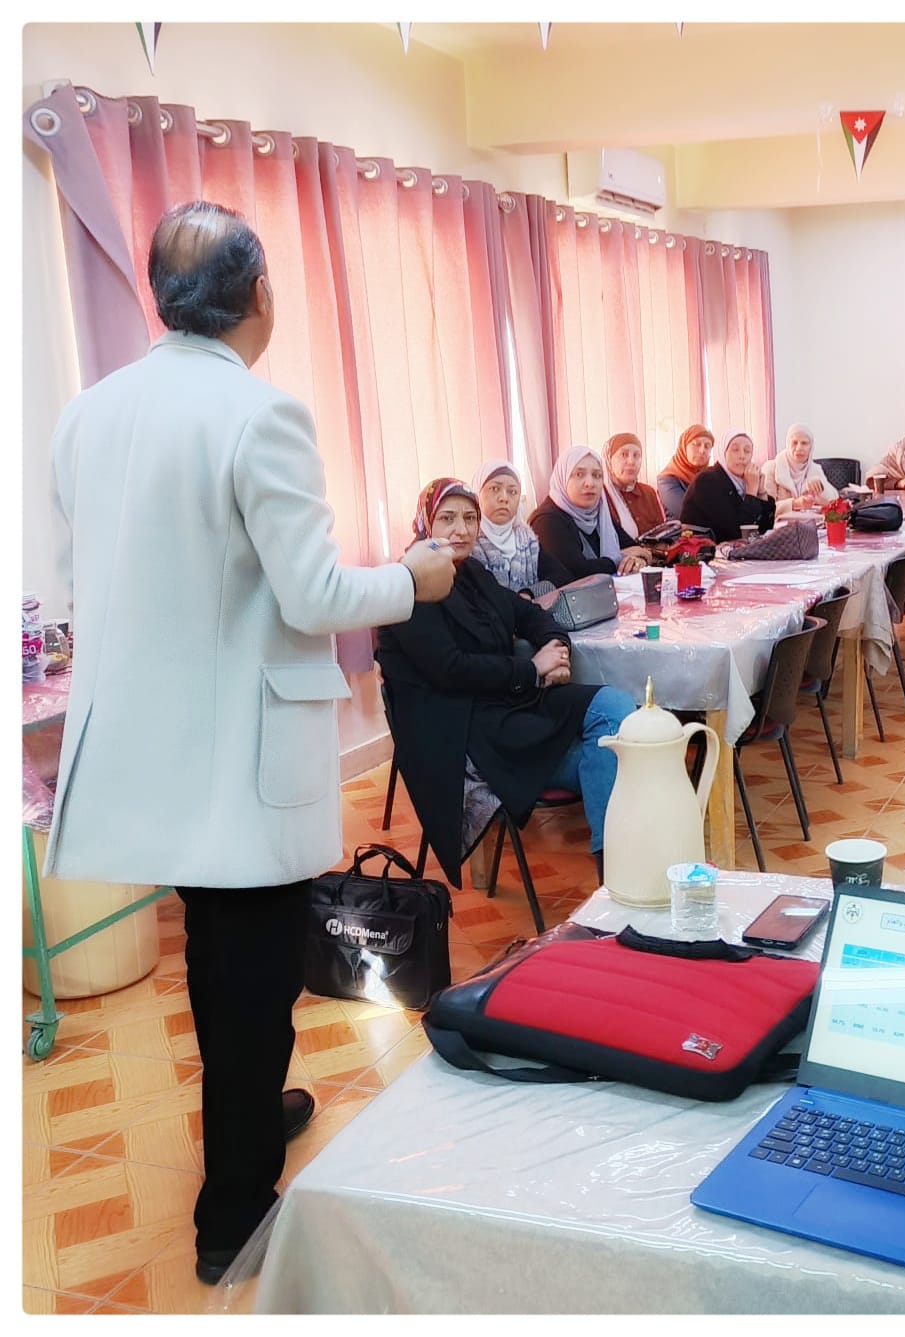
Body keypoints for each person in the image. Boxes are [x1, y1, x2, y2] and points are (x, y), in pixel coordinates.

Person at [44, 200, 456, 1286]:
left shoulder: (88, 412)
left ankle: (249, 1115)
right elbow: (314, 593)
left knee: (217, 956)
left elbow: (91, 581)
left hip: (152, 742)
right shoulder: (261, 412)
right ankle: (233, 1212)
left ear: (160, 297)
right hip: (239, 752)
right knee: (255, 977)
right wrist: (410, 578)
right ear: (261, 293)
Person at [376, 479, 635, 884]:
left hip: (510, 703)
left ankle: (616, 868)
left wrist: (556, 647)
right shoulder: (407, 587)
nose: (461, 530)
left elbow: (527, 613)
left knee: (616, 708)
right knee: (621, 751)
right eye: (447, 518)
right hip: (465, 727)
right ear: (426, 524)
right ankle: (619, 876)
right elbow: (451, 669)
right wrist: (533, 670)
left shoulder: (472, 573)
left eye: (469, 518)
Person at [529, 446, 652, 579]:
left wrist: (637, 561)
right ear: (563, 477)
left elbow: (636, 550)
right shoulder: (547, 521)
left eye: (597, 475)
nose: (590, 483)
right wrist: (618, 559)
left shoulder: (597, 512)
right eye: (579, 474)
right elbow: (576, 572)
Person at [469, 460, 571, 597]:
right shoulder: (468, 541)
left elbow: (561, 577)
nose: (504, 498)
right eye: (495, 489)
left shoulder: (526, 540)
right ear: (477, 494)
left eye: (512, 491)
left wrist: (529, 593)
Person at [679, 431, 778, 540]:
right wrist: (751, 492)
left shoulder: (744, 482)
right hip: (701, 548)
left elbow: (765, 529)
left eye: (747, 451)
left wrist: (761, 493)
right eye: (735, 450)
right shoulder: (707, 480)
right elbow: (736, 533)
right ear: (723, 453)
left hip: (730, 547)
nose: (742, 456)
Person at [759, 421, 839, 516]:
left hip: (810, 523)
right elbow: (764, 509)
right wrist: (794, 504)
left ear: (811, 447)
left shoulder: (815, 469)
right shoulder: (771, 468)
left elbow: (834, 502)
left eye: (804, 443)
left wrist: (821, 487)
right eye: (794, 443)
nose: (799, 448)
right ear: (788, 444)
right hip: (779, 524)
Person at [603, 431, 666, 539]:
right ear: (609, 459)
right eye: (624, 454)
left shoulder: (648, 492)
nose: (631, 462)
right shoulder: (601, 497)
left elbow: (662, 534)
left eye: (636, 455)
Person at [656, 423, 716, 520]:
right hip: (682, 529)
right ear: (683, 446)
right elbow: (688, 514)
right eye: (696, 444)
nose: (702, 450)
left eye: (707, 446)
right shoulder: (666, 480)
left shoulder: (710, 477)